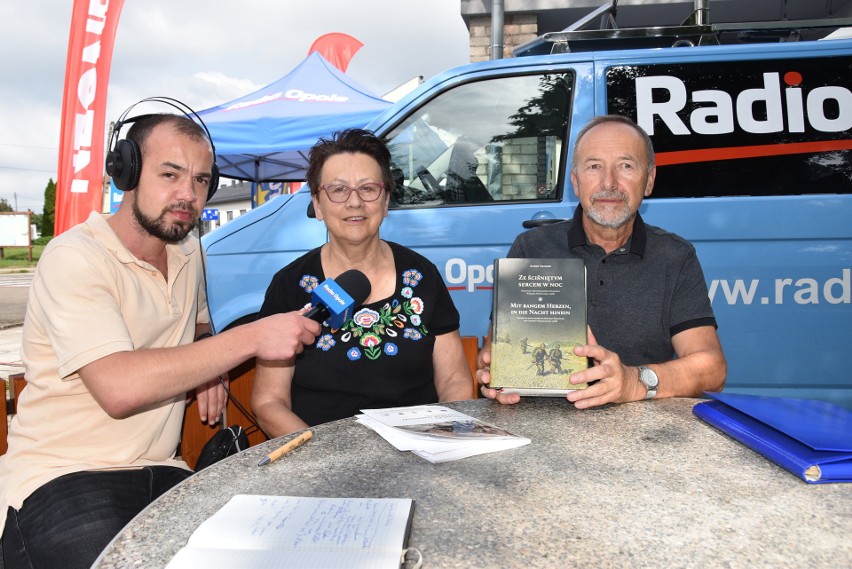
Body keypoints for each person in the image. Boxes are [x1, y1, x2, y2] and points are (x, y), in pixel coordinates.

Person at [0, 112, 320, 569]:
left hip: (166, 469)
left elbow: (201, 328)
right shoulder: (74, 257)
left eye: (201, 180)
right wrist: (249, 339)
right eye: (169, 174)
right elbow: (119, 388)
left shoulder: (188, 250)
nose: (187, 195)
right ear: (126, 172)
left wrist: (212, 364)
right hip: (61, 475)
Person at [478, 114, 726, 408]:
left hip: (642, 435)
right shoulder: (531, 248)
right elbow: (499, 351)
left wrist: (635, 381)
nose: (609, 183)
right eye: (594, 166)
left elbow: (712, 369)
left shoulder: (675, 256)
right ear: (576, 182)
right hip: (543, 427)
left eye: (626, 166)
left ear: (648, 181)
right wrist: (496, 373)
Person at [251, 128, 472, 438]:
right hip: (321, 460)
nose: (354, 202)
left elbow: (454, 381)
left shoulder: (422, 277)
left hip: (418, 456)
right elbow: (268, 401)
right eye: (338, 190)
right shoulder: (290, 285)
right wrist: (321, 458)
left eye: (368, 188)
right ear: (316, 203)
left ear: (385, 200)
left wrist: (445, 440)